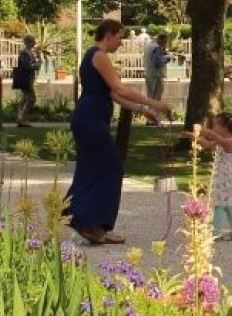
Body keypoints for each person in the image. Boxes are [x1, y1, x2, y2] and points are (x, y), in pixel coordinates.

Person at [67, 19, 172, 245]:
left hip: (89, 119)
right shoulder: (99, 56)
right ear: (108, 35)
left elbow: (113, 96)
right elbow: (119, 88)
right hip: (90, 120)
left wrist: (144, 111)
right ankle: (93, 223)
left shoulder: (92, 56)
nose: (121, 43)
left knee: (93, 169)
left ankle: (92, 224)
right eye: (119, 37)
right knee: (111, 167)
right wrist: (153, 102)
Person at [187, 111, 232, 241]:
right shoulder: (220, 142)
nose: (213, 128)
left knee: (220, 205)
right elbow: (208, 146)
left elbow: (219, 140)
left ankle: (214, 232)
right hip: (223, 179)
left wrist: (207, 131)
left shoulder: (229, 142)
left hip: (229, 179)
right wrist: (195, 137)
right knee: (227, 205)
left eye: (215, 125)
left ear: (225, 128)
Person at [12, 34, 41, 127]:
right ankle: (22, 119)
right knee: (32, 99)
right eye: (33, 40)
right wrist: (38, 64)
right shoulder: (24, 52)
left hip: (28, 78)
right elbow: (28, 66)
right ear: (28, 42)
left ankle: (19, 118)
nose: (35, 42)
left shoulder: (29, 52)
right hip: (25, 79)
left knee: (24, 99)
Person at [144, 33, 171, 124]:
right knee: (156, 98)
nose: (165, 44)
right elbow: (158, 63)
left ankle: (149, 119)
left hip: (148, 75)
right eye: (165, 42)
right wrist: (167, 60)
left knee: (150, 98)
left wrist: (163, 52)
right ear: (161, 40)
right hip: (156, 76)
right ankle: (154, 119)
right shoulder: (156, 47)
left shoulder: (149, 45)